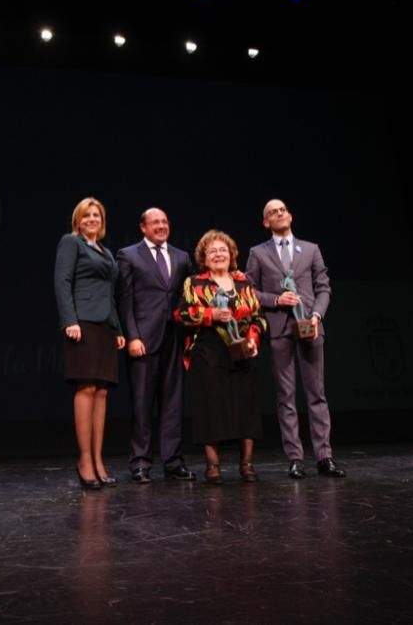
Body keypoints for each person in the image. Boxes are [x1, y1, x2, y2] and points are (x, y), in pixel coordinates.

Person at [246, 199, 346, 479]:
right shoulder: (258, 253)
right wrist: (276, 299)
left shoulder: (311, 249)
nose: (279, 213)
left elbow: (323, 287)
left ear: (290, 215)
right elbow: (249, 291)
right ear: (266, 222)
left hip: (310, 326)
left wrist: (317, 315)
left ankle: (324, 457)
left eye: (282, 210)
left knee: (317, 394)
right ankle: (295, 458)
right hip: (280, 329)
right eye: (272, 212)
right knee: (286, 396)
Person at [174, 230, 267, 483]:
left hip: (242, 352)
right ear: (204, 257)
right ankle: (213, 466)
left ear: (232, 255)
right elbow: (180, 316)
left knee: (245, 407)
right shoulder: (194, 283)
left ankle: (246, 465)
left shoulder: (244, 283)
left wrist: (253, 339)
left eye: (222, 250)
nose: (218, 254)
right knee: (210, 408)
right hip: (208, 352)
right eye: (212, 250)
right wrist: (209, 315)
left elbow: (258, 318)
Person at [116, 208, 195, 484]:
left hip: (174, 339)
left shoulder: (182, 257)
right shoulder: (128, 255)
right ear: (143, 227)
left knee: (173, 403)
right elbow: (125, 301)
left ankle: (173, 462)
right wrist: (133, 336)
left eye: (164, 221)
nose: (161, 226)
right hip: (144, 340)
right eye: (155, 222)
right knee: (142, 403)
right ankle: (140, 462)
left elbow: (188, 296)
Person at [55, 198, 126, 490]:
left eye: (97, 215)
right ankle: (85, 460)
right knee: (85, 387)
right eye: (87, 215)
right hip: (81, 323)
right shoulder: (71, 243)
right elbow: (62, 281)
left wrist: (118, 328)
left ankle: (98, 461)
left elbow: (110, 293)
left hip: (105, 326)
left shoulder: (106, 252)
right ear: (78, 220)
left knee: (102, 392)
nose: (92, 219)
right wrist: (69, 320)